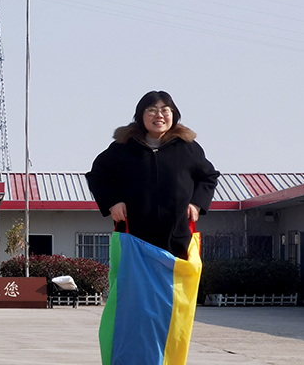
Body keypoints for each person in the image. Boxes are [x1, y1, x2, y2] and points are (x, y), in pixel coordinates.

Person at [85, 91, 220, 259]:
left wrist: (197, 203)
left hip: (177, 240)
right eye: (151, 110)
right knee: (133, 276)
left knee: (176, 277)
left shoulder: (188, 148)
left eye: (165, 110)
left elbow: (208, 177)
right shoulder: (123, 147)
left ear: (173, 114)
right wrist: (112, 203)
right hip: (133, 237)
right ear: (140, 115)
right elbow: (97, 176)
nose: (159, 115)